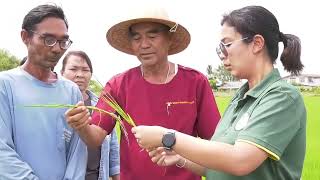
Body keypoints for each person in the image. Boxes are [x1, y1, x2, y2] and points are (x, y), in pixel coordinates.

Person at [131, 5, 306, 180]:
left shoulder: (281, 97)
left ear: (257, 44)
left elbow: (240, 160)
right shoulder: (240, 98)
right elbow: (220, 165)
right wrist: (180, 157)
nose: (222, 54)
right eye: (220, 47)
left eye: (227, 44)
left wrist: (167, 136)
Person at [65, 7, 221, 180]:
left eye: (152, 37)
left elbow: (215, 143)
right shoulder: (118, 85)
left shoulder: (195, 82)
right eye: (137, 38)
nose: (144, 44)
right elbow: (95, 138)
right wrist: (82, 126)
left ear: (169, 39)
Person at [0, 4, 87, 179]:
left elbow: (78, 152)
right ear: (26, 37)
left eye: (63, 41)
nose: (57, 48)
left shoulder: (71, 91)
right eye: (48, 39)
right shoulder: (5, 85)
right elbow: (2, 152)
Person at [61, 50, 120, 180]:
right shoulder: (55, 105)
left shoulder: (101, 105)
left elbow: (113, 147)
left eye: (85, 70)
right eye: (73, 69)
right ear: (62, 73)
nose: (80, 75)